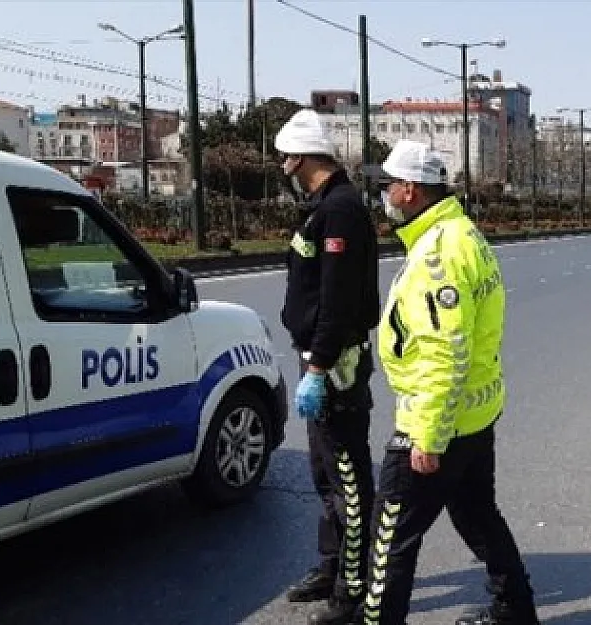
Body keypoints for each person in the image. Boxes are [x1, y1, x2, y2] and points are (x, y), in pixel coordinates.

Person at [352, 139, 539, 625]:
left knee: (390, 540)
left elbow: (444, 350)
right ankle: (515, 610)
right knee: (478, 515)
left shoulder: (437, 255)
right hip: (475, 414)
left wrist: (429, 434)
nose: (384, 195)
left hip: (436, 422)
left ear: (410, 190)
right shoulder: (463, 233)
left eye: (388, 186)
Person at [275, 108, 381, 625]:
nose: (284, 168)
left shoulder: (339, 211)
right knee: (324, 473)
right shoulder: (323, 207)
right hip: (319, 359)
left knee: (348, 480)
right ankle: (330, 565)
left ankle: (353, 589)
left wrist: (318, 367)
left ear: (300, 157)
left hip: (334, 364)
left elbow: (337, 301)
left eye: (285, 159)